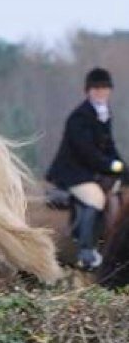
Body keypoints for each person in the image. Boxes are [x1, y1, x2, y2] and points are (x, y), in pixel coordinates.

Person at [46, 67, 124, 271]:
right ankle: (86, 252)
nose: (100, 92)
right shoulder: (79, 117)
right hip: (74, 173)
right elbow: (86, 152)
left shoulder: (104, 114)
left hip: (91, 170)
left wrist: (121, 165)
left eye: (104, 88)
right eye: (96, 88)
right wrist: (111, 165)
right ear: (88, 91)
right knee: (96, 198)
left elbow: (110, 146)